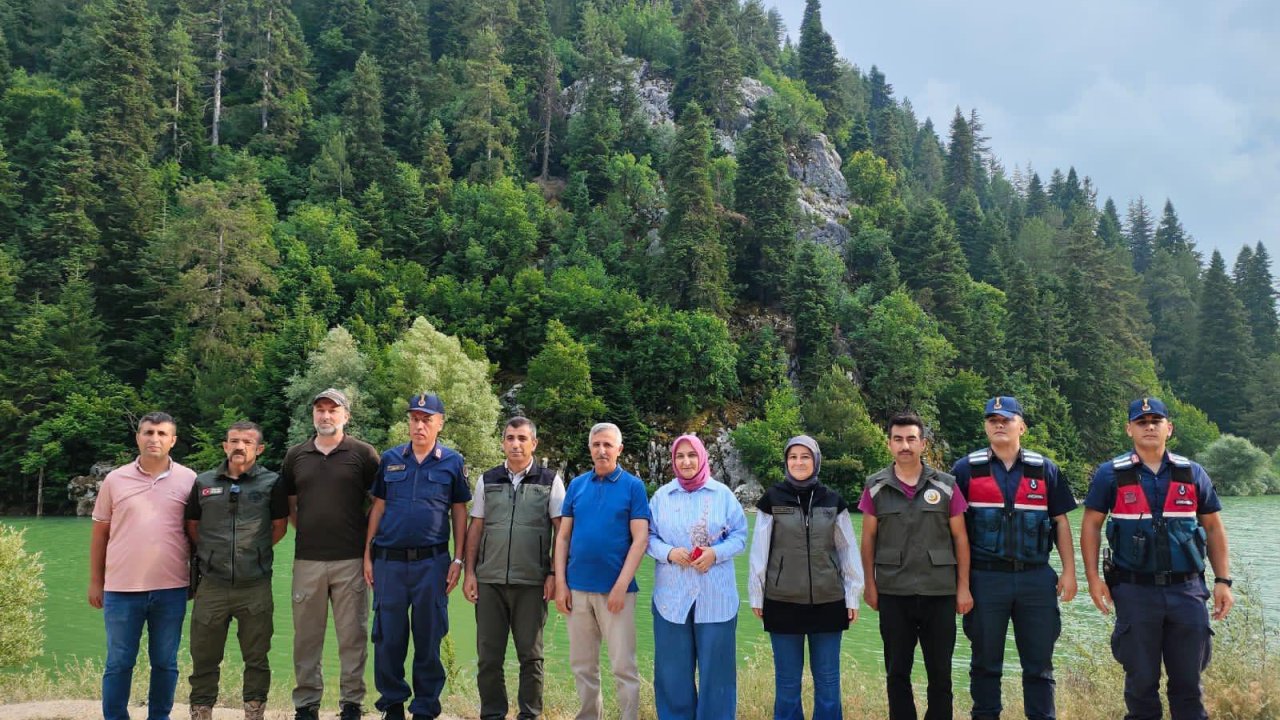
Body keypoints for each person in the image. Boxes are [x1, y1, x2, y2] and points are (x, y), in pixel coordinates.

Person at [1080, 397, 1234, 720]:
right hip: (1134, 592)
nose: (1149, 426)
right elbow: (1091, 525)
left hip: (1187, 591)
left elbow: (1214, 528)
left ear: (1169, 428)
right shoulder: (1111, 474)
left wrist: (1223, 581)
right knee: (1141, 686)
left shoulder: (1192, 473)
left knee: (1189, 686)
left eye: (1156, 421)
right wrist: (1093, 579)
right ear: (1129, 429)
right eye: (1141, 422)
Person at [951, 396, 1078, 720]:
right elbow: (954, 532)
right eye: (992, 419)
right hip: (985, 579)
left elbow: (1061, 522)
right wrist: (961, 585)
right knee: (984, 664)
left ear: (1021, 425)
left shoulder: (1045, 469)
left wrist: (1069, 572)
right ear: (985, 426)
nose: (999, 424)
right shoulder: (965, 470)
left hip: (1035, 578)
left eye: (1006, 419)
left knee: (1039, 666)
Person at [364, 393, 471, 720]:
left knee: (429, 639)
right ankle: (392, 705)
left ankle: (424, 708)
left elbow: (459, 513)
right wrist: (367, 556)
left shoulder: (452, 462)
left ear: (440, 423)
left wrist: (459, 560)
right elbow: (378, 507)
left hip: (433, 563)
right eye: (414, 418)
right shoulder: (390, 458)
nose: (419, 425)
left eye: (427, 419)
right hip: (389, 563)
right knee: (388, 639)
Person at [860, 412, 973, 720]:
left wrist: (963, 588)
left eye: (911, 439)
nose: (905, 445)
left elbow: (961, 539)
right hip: (893, 592)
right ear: (889, 445)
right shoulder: (875, 487)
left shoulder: (947, 486)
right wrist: (869, 586)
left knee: (941, 673)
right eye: (898, 439)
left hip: (939, 592)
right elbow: (867, 540)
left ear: (923, 444)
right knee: (897, 672)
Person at [88, 411, 198, 720]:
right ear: (138, 437)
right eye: (148, 432)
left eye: (162, 434)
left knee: (165, 661)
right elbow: (100, 534)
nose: (155, 439)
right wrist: (96, 581)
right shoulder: (115, 479)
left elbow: (195, 533)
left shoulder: (189, 479)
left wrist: (196, 580)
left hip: (172, 588)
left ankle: (159, 717)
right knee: (119, 662)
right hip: (121, 590)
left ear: (173, 441)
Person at [748, 435, 863, 720]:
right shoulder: (772, 499)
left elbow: (848, 550)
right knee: (787, 683)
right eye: (793, 457)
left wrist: (852, 595)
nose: (799, 462)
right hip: (781, 600)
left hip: (829, 600)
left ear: (816, 460)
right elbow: (759, 552)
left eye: (805, 456)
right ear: (786, 461)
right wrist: (756, 593)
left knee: (828, 681)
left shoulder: (833, 500)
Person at [283, 388, 381, 720]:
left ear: (345, 416)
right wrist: (310, 529)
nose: (326, 415)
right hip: (307, 559)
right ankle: (307, 704)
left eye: (333, 410)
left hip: (351, 559)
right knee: (306, 637)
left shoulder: (364, 454)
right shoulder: (296, 455)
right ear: (313, 415)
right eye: (320, 410)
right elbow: (290, 504)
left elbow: (379, 503)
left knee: (353, 636)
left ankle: (351, 703)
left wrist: (365, 541)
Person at [462, 416, 565, 720]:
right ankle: (492, 714)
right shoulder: (487, 479)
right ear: (503, 442)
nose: (515, 444)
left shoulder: (550, 481)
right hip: (489, 582)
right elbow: (476, 528)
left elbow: (562, 532)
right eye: (510, 438)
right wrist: (470, 573)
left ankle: (529, 714)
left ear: (534, 443)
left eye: (522, 438)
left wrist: (554, 574)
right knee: (488, 659)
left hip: (532, 583)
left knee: (531, 657)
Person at [185, 421, 289, 720]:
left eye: (246, 441)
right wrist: (214, 553)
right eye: (233, 441)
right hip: (212, 585)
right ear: (225, 445)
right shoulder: (203, 482)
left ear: (259, 448)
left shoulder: (272, 482)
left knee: (256, 657)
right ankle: (201, 711)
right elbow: (192, 526)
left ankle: (254, 712)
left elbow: (279, 527)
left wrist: (253, 552)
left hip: (254, 586)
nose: (239, 446)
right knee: (204, 657)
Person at [554, 422, 651, 720]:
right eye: (596, 445)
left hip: (617, 593)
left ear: (619, 449)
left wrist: (622, 585)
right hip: (577, 590)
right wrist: (561, 583)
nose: (601, 450)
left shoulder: (634, 487)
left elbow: (641, 539)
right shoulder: (576, 485)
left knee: (623, 666)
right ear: (590, 449)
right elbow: (563, 537)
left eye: (608, 445)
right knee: (583, 665)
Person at [648, 434, 748, 720]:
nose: (686, 461)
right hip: (671, 598)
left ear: (703, 457)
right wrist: (669, 552)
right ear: (673, 461)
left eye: (692, 455)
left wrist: (715, 553)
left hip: (716, 597)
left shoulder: (723, 495)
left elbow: (740, 536)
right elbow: (647, 538)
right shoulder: (661, 497)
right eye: (680, 456)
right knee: (671, 671)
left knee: (717, 673)